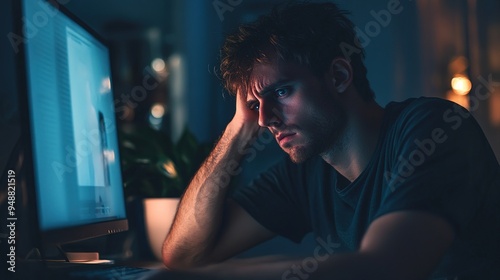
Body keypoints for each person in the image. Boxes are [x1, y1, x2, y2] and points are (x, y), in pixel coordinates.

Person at [161, 2, 500, 279]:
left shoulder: (434, 128)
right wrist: (238, 128)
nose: (265, 119)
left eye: (281, 91)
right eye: (255, 105)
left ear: (338, 76)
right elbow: (183, 256)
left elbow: (388, 267)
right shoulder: (305, 173)